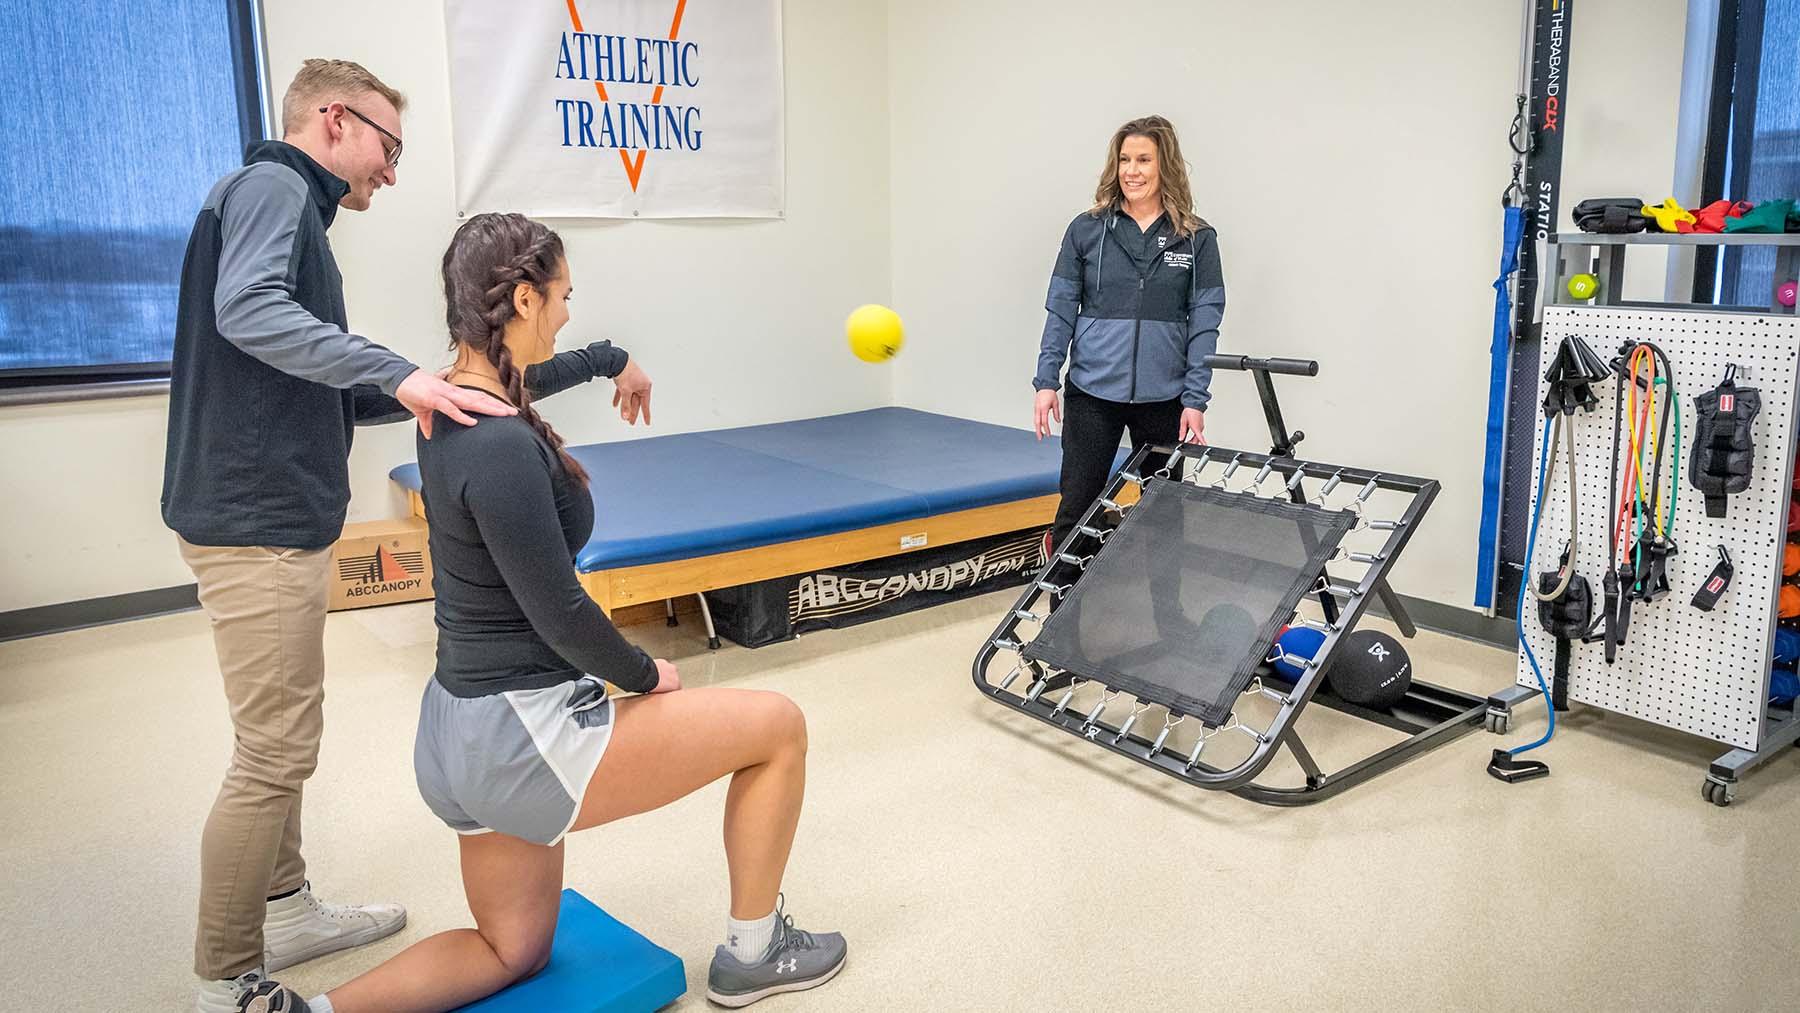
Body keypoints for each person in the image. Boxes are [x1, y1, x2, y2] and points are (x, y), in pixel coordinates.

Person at [236, 213, 846, 1013]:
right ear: (523, 299)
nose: (564, 313)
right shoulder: (499, 448)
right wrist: (645, 673)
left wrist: (608, 359)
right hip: (522, 737)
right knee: (778, 725)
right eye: (560, 297)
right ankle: (755, 951)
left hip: (456, 734)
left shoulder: (450, 406)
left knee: (511, 948)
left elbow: (532, 380)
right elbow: (559, 607)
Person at [165, 60, 653, 1013]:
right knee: (273, 751)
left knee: (282, 740)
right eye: (389, 147)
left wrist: (584, 361)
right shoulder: (273, 185)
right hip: (251, 524)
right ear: (335, 122)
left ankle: (288, 903)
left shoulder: (291, 207)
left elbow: (456, 392)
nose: (391, 170)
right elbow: (250, 310)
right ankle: (226, 980)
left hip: (265, 512)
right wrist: (400, 374)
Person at [1031, 115, 1226, 557]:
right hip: (1091, 392)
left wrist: (1195, 398)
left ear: (1165, 167)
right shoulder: (1086, 230)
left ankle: (1167, 620)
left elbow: (1205, 322)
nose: (1131, 170)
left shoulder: (1196, 239)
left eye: (1143, 159)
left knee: (1163, 513)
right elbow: (1060, 308)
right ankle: (1064, 615)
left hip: (1165, 398)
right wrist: (1046, 381)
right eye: (1124, 159)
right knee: (1078, 507)